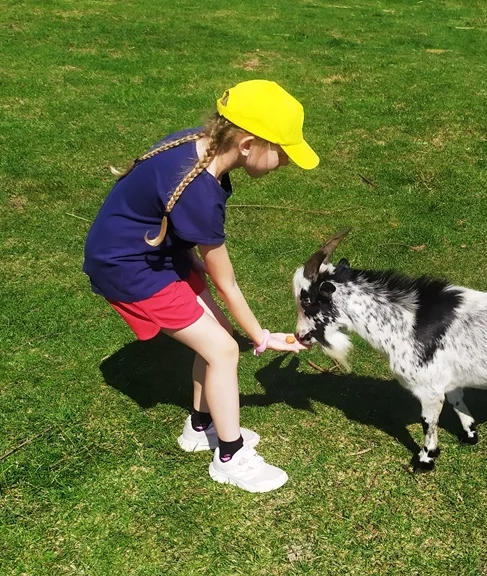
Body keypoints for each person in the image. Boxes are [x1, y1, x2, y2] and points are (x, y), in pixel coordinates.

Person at [83, 80, 315, 492]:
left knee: (218, 338)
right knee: (224, 348)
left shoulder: (199, 145)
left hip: (156, 251)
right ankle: (230, 455)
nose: (285, 163)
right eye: (280, 152)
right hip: (129, 267)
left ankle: (200, 425)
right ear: (246, 144)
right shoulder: (199, 192)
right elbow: (225, 282)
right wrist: (260, 336)